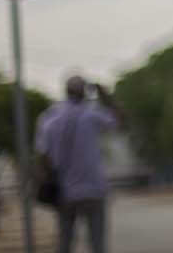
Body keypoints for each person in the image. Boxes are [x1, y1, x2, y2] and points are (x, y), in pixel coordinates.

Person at [33, 76, 122, 253]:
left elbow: (43, 156)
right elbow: (119, 121)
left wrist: (50, 180)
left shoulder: (49, 118)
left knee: (65, 243)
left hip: (65, 191)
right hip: (94, 189)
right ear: (84, 92)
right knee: (97, 244)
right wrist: (105, 95)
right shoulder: (92, 114)